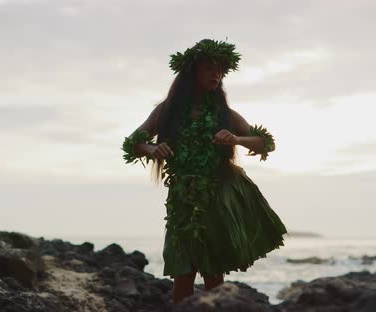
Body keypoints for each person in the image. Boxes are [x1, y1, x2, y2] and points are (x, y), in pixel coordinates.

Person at [121, 39, 288, 304]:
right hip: (182, 198)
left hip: (217, 197)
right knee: (182, 271)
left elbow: (265, 143)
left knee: (213, 271)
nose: (216, 74)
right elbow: (133, 142)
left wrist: (236, 139)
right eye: (209, 68)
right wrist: (152, 149)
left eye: (219, 70)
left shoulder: (225, 114)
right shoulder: (167, 111)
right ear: (192, 73)